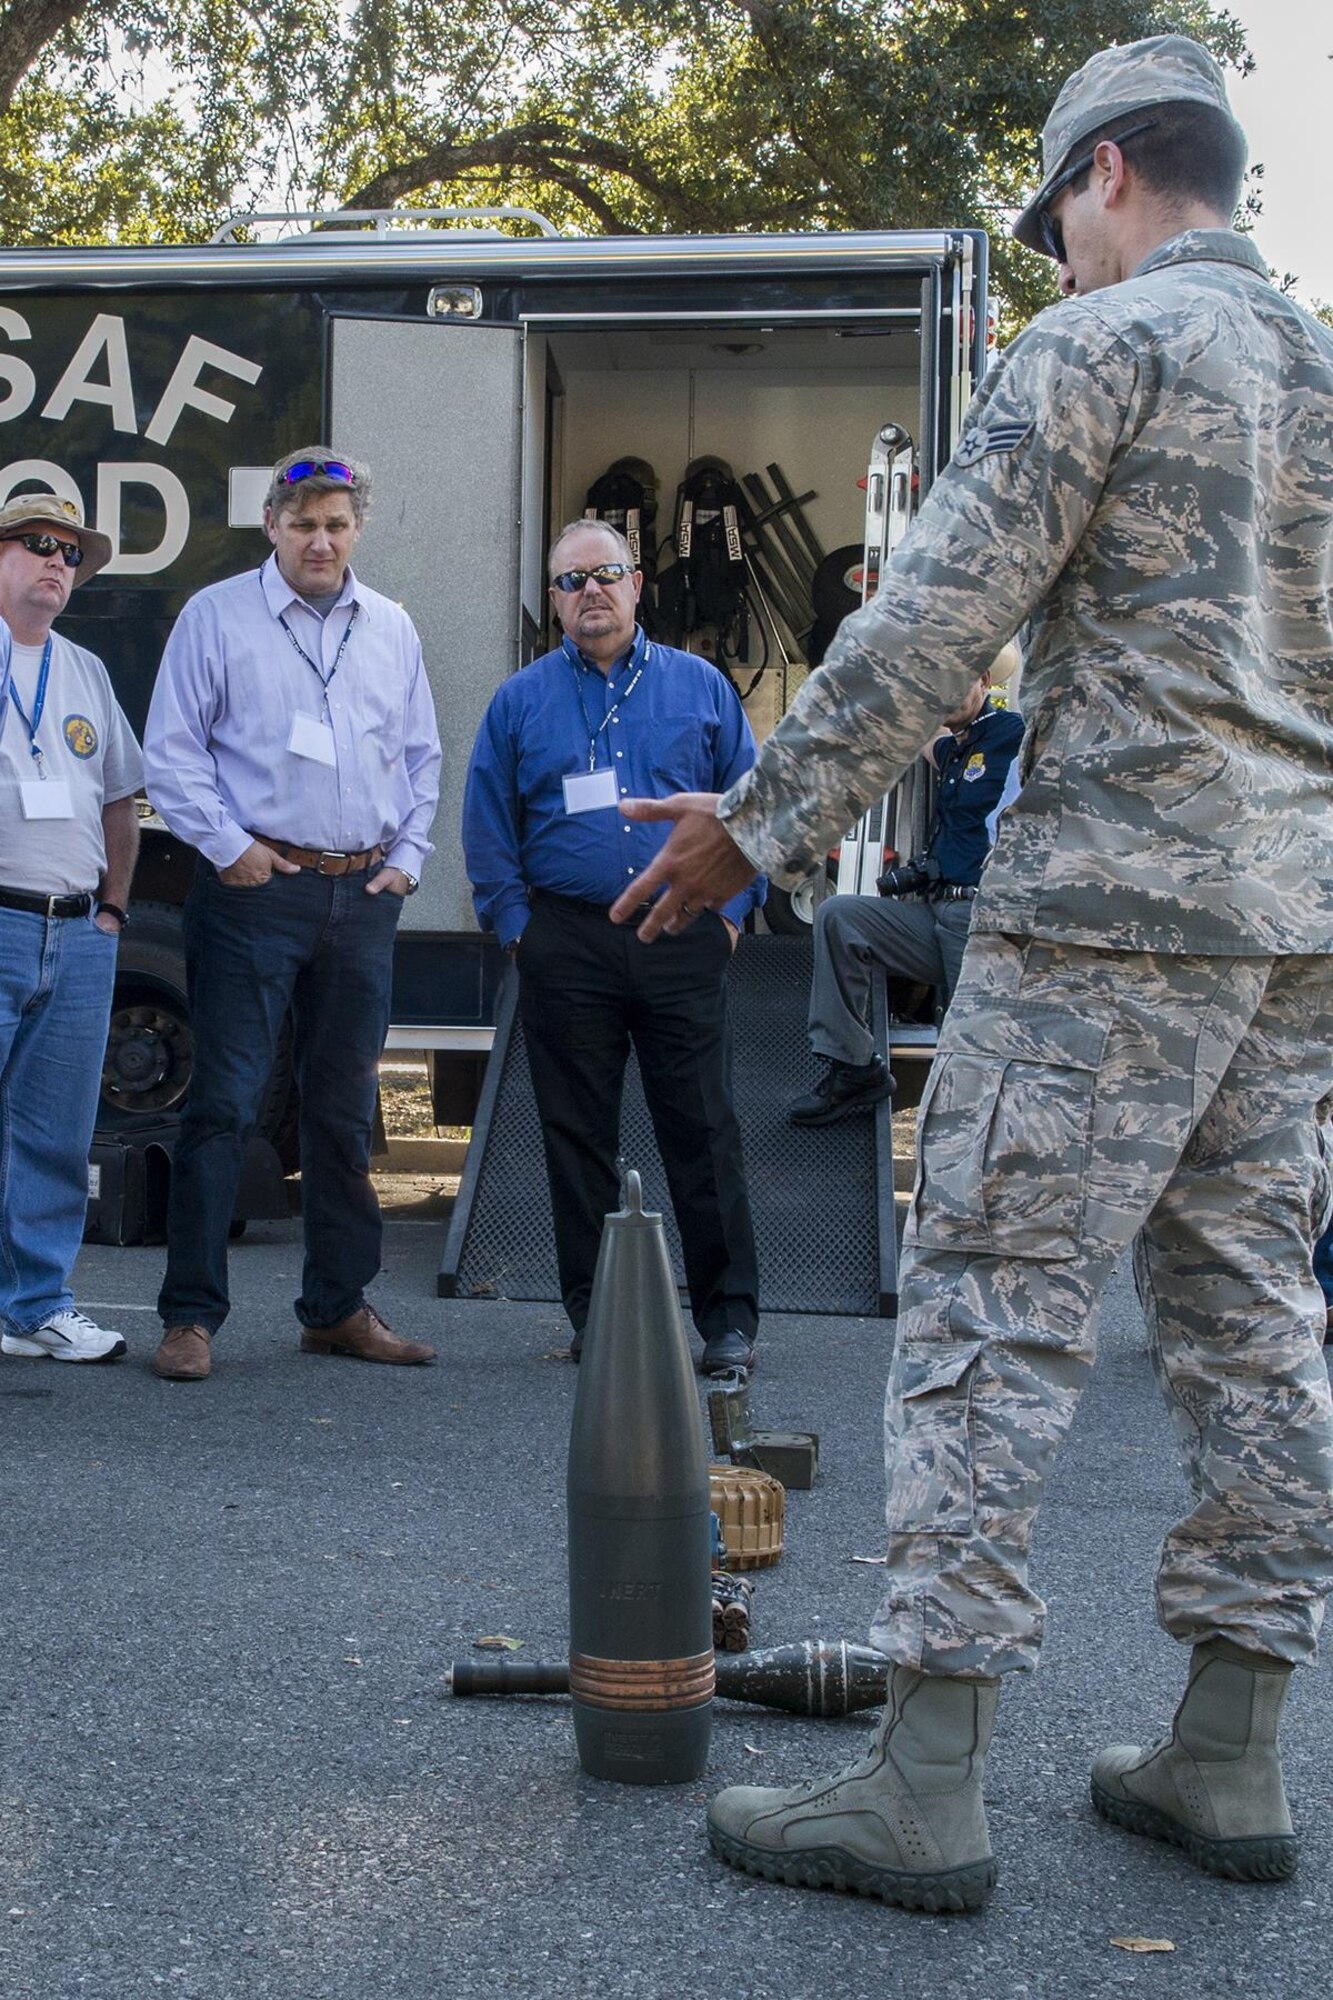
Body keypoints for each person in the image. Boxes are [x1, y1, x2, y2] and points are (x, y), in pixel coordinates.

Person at [610, 37, 1333, 1909]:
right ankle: (1228, 1756)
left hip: (1100, 919)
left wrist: (750, 824)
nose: (1057, 256)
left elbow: (931, 627)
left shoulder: (1095, 347)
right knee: (1255, 1317)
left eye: (1056, 219)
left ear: (1104, 172)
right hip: (1289, 929)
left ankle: (922, 1790)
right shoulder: (1322, 367)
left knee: (985, 1319)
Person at [142, 448, 442, 1382]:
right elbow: (173, 751)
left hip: (361, 899)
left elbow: (422, 756)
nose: (321, 539)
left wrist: (406, 861)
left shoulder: (390, 626)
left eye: (337, 523)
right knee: (226, 1107)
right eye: (303, 521)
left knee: (347, 1115)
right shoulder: (215, 616)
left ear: (358, 530)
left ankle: (336, 1309)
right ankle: (191, 1318)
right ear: (272, 524)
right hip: (253, 894)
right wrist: (231, 851)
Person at [462, 519, 764, 1377]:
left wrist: (733, 910)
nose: (590, 591)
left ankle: (728, 1323)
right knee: (576, 1136)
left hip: (679, 931)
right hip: (567, 941)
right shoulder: (518, 701)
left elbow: (752, 806)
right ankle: (597, 1319)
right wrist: (517, 931)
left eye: (607, 574)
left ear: (637, 585)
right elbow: (487, 824)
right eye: (570, 581)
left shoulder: (701, 687)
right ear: (553, 601)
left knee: (703, 1129)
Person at [0, 492, 141, 1364]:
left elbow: (121, 797)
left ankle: (36, 1306)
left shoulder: (84, 670)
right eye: (37, 543)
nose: (57, 561)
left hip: (77, 930)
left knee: (54, 1134)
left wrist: (114, 912)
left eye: (71, 554)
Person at [790, 655, 1023, 1125]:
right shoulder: (957, 746)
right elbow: (924, 737)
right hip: (938, 915)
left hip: (983, 917)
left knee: (973, 1056)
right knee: (840, 917)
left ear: (984, 681)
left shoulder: (1013, 735)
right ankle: (854, 1066)